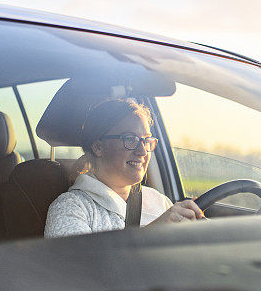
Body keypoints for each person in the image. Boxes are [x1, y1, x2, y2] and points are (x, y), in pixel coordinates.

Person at [45, 99, 203, 238]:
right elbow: (75, 266)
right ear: (98, 147)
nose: (142, 151)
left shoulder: (160, 201)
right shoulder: (72, 207)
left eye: (146, 140)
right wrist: (153, 233)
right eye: (131, 139)